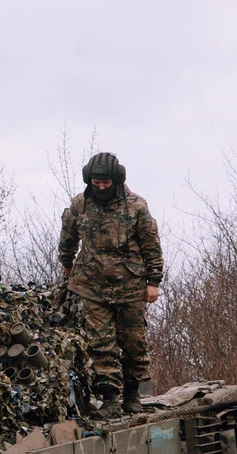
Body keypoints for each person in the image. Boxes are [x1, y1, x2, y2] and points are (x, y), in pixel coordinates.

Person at [58, 152, 164, 416]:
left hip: (130, 285)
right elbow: (68, 238)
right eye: (97, 182)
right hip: (91, 285)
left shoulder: (135, 206)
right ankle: (110, 400)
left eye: (106, 182)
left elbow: (151, 245)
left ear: (116, 179)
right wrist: (66, 265)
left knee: (133, 343)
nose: (102, 187)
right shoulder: (80, 205)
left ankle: (132, 395)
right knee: (100, 345)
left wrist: (153, 282)